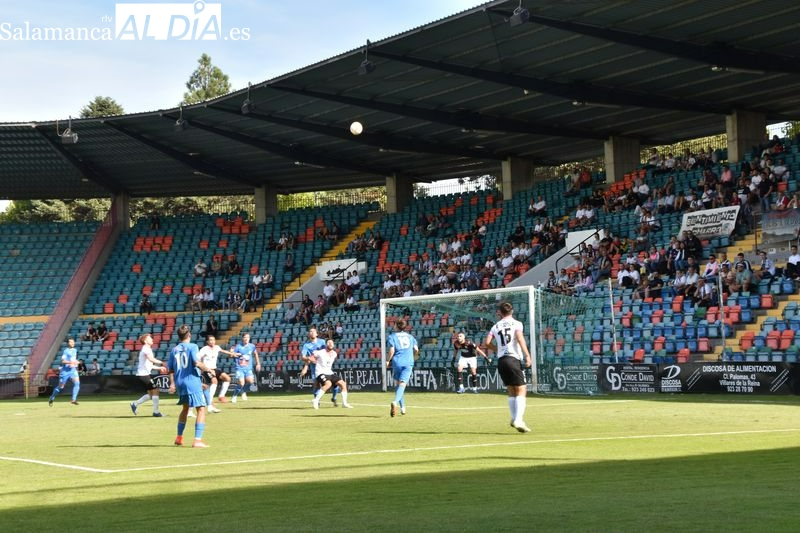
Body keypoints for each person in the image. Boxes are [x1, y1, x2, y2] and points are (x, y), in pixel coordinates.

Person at [485, 301, 532, 433]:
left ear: (500, 312)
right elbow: (520, 339)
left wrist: (497, 349)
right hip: (513, 359)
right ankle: (518, 419)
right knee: (521, 389)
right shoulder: (517, 324)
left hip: (501, 360)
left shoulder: (495, 326)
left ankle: (513, 418)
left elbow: (487, 343)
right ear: (512, 311)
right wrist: (527, 355)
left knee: (511, 390)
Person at [167, 325, 210, 448]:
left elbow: (171, 370)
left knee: (185, 408)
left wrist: (173, 383)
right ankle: (197, 440)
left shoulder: (174, 350)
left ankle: (179, 437)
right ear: (189, 335)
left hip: (180, 383)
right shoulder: (193, 347)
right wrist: (208, 370)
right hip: (191, 381)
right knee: (201, 408)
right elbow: (196, 362)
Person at [386, 318, 419, 417]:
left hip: (397, 362)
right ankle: (395, 402)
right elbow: (416, 349)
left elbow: (391, 350)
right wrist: (414, 356)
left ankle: (403, 408)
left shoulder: (392, 336)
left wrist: (387, 360)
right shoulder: (410, 336)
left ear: (396, 325)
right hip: (408, 362)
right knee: (402, 385)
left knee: (398, 385)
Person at [300, 326, 340, 406]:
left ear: (317, 333)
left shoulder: (322, 342)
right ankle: (317, 401)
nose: (312, 332)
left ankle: (334, 398)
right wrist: (306, 366)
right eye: (310, 331)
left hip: (325, 367)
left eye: (313, 331)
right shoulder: (306, 345)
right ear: (309, 334)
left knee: (335, 384)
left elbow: (328, 350)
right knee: (316, 384)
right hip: (315, 368)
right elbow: (304, 357)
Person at [130, 333, 166, 417]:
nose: (152, 339)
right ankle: (156, 412)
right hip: (144, 375)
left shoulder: (146, 349)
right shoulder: (146, 349)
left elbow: (149, 365)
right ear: (146, 341)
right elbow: (151, 359)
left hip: (143, 374)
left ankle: (134, 404)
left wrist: (159, 368)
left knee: (151, 395)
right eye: (150, 338)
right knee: (156, 391)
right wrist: (162, 363)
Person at [310, 339, 353, 409]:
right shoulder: (320, 352)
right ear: (326, 344)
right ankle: (316, 400)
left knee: (343, 384)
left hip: (329, 372)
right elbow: (311, 357)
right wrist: (316, 361)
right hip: (320, 372)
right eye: (329, 343)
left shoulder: (334, 353)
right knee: (328, 384)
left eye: (332, 343)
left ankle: (344, 403)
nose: (330, 344)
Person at [196, 335, 235, 413]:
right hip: (207, 369)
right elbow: (198, 359)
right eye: (210, 340)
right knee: (214, 381)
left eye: (213, 340)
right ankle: (210, 400)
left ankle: (221, 396)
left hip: (214, 368)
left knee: (227, 378)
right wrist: (202, 368)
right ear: (207, 341)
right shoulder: (204, 349)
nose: (212, 341)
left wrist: (232, 353)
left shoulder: (216, 347)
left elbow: (223, 351)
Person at [48, 337, 80, 406]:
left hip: (72, 370)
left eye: (73, 342)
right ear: (68, 343)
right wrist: (70, 362)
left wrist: (76, 362)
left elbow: (73, 359)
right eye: (71, 342)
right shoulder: (66, 351)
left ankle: (73, 399)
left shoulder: (75, 350)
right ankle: (52, 397)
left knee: (77, 383)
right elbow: (63, 361)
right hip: (65, 371)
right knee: (61, 387)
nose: (73, 343)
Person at [229, 333, 260, 403]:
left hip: (248, 368)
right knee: (241, 383)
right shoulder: (238, 347)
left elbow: (255, 354)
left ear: (249, 338)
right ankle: (234, 396)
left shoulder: (252, 346)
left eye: (247, 337)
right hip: (239, 368)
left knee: (251, 381)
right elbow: (231, 356)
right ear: (242, 338)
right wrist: (234, 354)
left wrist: (258, 363)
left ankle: (243, 391)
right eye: (245, 337)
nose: (246, 339)